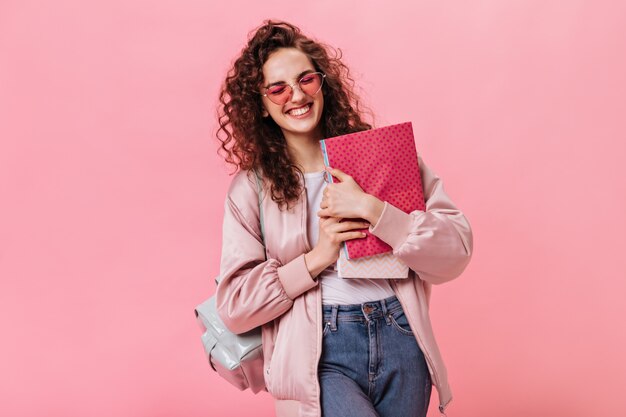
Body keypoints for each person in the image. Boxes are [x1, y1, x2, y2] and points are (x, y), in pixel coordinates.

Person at [214, 20, 473, 417]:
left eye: (306, 80)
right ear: (261, 104)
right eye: (278, 88)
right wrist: (318, 257)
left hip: (401, 335)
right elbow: (235, 306)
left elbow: (455, 251)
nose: (296, 95)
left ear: (323, 84)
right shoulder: (252, 188)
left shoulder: (385, 155)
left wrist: (375, 210)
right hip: (319, 350)